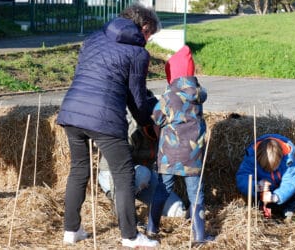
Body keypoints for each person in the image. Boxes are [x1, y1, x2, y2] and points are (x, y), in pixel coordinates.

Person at [56, 3, 161, 248]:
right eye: (150, 35)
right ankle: (130, 236)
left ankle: (71, 231)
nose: (148, 40)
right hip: (104, 118)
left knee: (79, 169)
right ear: (144, 28)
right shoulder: (138, 54)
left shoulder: (93, 38)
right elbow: (136, 98)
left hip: (72, 111)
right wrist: (148, 124)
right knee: (124, 175)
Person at [146, 45, 214, 244]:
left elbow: (156, 118)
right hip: (193, 154)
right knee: (196, 195)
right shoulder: (198, 95)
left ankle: (152, 228)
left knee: (162, 190)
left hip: (169, 153)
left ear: (172, 73)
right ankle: (199, 235)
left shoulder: (169, 96)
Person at [98, 110, 187, 218]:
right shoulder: (133, 131)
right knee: (143, 173)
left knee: (177, 210)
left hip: (142, 179)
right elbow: (117, 167)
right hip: (112, 175)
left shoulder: (165, 136)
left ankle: (130, 197)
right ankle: (120, 206)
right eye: (165, 126)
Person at [235, 134, 295, 221]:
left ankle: (288, 208)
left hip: (280, 196)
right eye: (265, 168)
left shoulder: (288, 159)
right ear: (258, 158)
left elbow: (290, 182)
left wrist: (276, 197)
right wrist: (256, 186)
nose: (270, 171)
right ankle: (259, 208)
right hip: (260, 195)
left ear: (281, 158)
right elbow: (242, 178)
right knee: (246, 187)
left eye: (274, 167)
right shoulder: (251, 157)